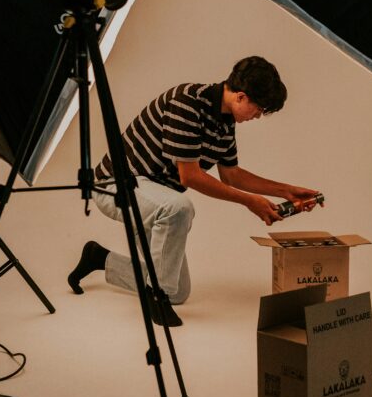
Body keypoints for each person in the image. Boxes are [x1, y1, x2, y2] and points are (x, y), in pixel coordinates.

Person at [67, 57, 320, 321]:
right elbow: (190, 177)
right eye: (259, 109)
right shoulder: (186, 103)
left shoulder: (225, 125)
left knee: (177, 291)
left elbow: (232, 175)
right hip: (117, 185)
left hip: (154, 198)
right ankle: (157, 300)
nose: (257, 116)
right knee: (180, 208)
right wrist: (249, 202)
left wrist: (286, 191)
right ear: (241, 97)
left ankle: (98, 258)